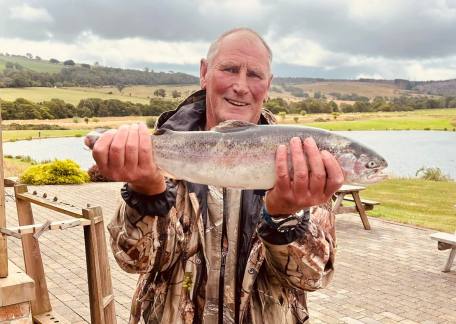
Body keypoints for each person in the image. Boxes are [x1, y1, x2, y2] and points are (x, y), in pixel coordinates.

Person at [92, 28, 344, 324]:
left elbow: (311, 278)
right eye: (229, 69)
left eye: (254, 74)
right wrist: (148, 194)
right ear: (204, 72)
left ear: (269, 84)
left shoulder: (300, 158)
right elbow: (135, 260)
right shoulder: (165, 148)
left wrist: (284, 218)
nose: (240, 85)